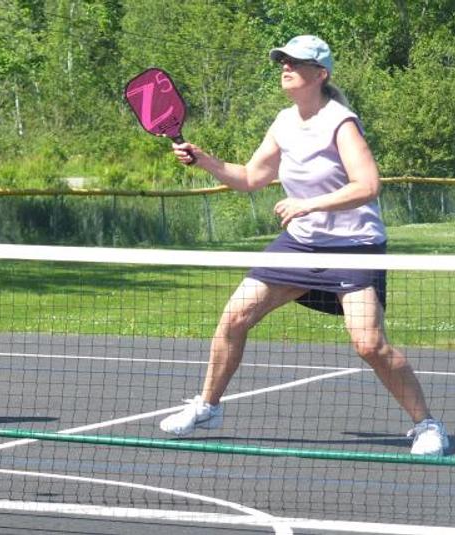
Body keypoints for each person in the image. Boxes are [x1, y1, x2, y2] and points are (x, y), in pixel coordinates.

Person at [158, 35, 449, 456]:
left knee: (368, 343)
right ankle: (207, 406)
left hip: (352, 246)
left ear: (321, 74)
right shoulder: (283, 122)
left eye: (295, 62)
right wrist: (205, 160)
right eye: (282, 60)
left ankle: (426, 425)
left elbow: (368, 186)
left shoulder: (340, 121)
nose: (285, 66)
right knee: (234, 317)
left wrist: (307, 204)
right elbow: (250, 178)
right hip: (300, 245)